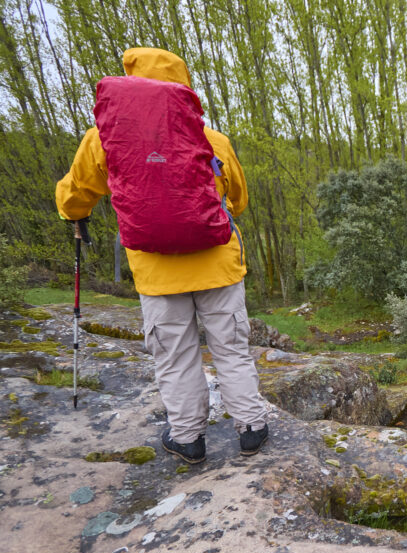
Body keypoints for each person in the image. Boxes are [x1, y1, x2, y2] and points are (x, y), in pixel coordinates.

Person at [55, 47, 269, 465]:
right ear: (182, 86)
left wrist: (74, 215)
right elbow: (238, 200)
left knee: (174, 352)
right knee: (230, 347)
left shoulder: (103, 138)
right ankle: (251, 428)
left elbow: (75, 192)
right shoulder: (211, 139)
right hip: (218, 265)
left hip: (155, 271)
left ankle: (188, 439)